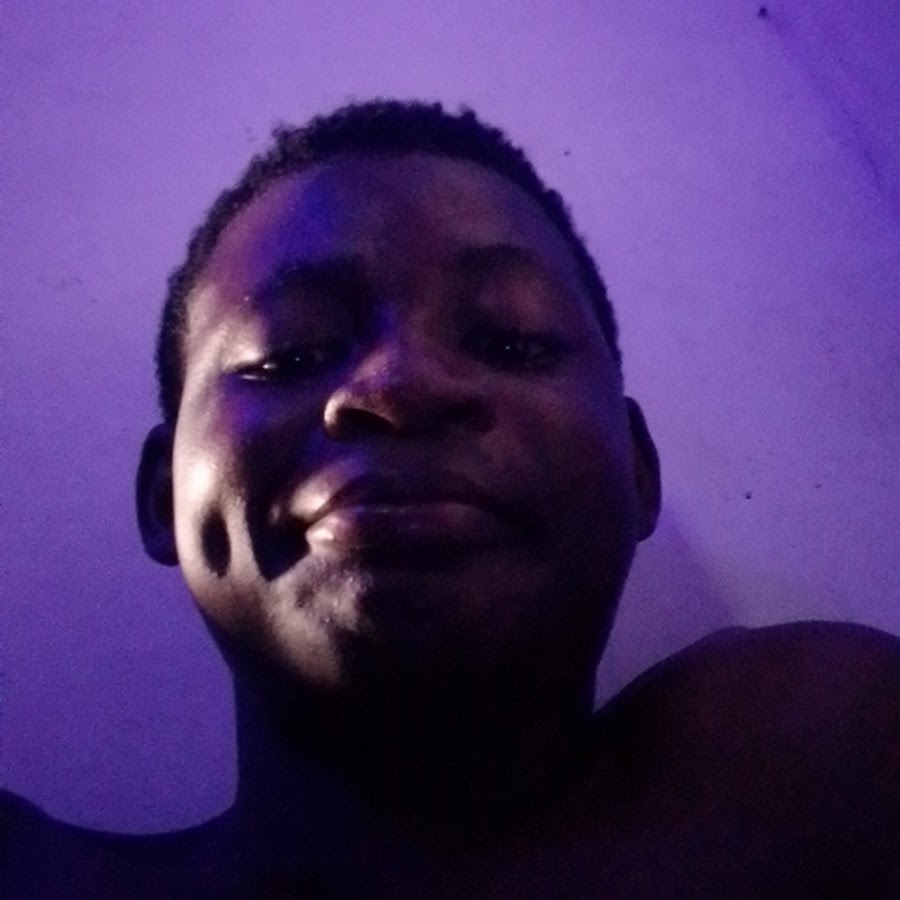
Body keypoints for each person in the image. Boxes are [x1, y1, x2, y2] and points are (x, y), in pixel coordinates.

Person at [2, 99, 898, 898]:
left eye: (511, 341)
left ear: (637, 470)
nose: (402, 386)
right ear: (165, 496)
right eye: (290, 353)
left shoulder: (829, 761)